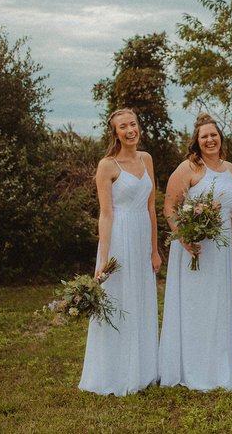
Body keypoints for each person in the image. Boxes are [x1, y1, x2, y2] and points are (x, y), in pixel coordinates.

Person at [158, 114, 232, 391]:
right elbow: (169, 208)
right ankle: (192, 368)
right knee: (195, 306)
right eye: (204, 136)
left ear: (221, 138)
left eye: (214, 135)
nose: (210, 140)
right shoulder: (189, 168)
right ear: (196, 141)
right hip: (193, 247)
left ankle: (219, 366)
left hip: (221, 246)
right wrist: (184, 237)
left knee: (218, 305)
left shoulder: (230, 169)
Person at [79, 108, 161, 396]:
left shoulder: (147, 159)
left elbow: (151, 207)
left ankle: (143, 369)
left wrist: (154, 249)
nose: (130, 130)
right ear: (115, 132)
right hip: (119, 236)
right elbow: (105, 214)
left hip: (142, 236)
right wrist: (104, 258)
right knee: (119, 299)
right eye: (123, 126)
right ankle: (114, 371)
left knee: (141, 298)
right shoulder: (107, 165)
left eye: (133, 124)